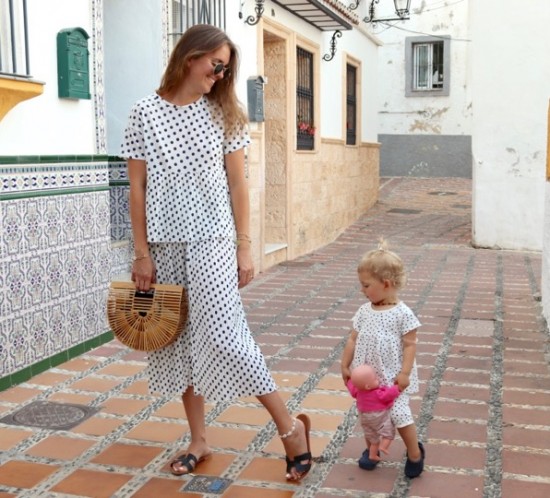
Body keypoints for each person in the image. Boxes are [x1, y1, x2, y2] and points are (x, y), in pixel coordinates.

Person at [120, 24, 311, 482]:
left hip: (212, 239)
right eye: (217, 65)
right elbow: (136, 187)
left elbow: (239, 184)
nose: (221, 75)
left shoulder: (224, 113)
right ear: (192, 57)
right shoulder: (143, 113)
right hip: (163, 244)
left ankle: (290, 430)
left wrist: (245, 245)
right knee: (180, 341)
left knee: (226, 335)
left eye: (226, 69)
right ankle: (198, 440)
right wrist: (141, 252)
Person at [340, 240, 425, 478]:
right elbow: (352, 340)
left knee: (399, 415)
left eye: (366, 285)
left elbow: (410, 345)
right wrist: (344, 364)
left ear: (386, 284)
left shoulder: (402, 314)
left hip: (392, 378)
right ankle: (372, 450)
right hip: (367, 378)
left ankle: (415, 452)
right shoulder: (364, 311)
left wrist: (405, 373)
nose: (362, 290)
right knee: (369, 416)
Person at [347, 364, 401, 462]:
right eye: (376, 379)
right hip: (379, 418)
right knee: (388, 433)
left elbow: (351, 388)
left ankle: (372, 455)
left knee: (373, 440)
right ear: (368, 386)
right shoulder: (377, 393)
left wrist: (348, 380)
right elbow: (388, 395)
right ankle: (384, 446)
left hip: (365, 420)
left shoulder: (358, 392)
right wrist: (397, 387)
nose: (378, 380)